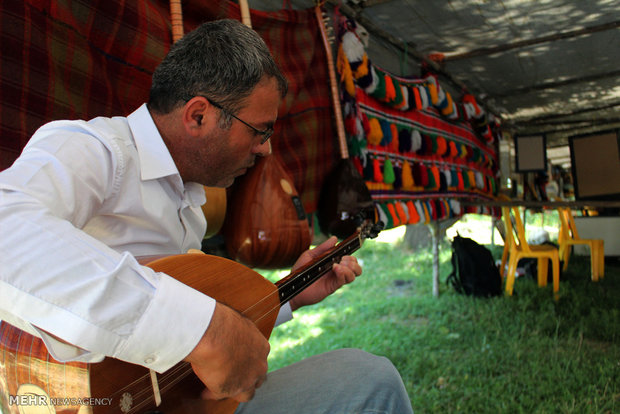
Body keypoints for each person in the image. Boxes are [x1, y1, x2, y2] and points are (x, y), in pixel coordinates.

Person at [0, 19, 413, 413]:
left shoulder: (192, 204)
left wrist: (287, 296)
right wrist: (199, 328)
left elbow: (184, 358)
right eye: (260, 131)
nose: (266, 150)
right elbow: (7, 233)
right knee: (373, 380)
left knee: (367, 378)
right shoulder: (97, 152)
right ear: (199, 116)